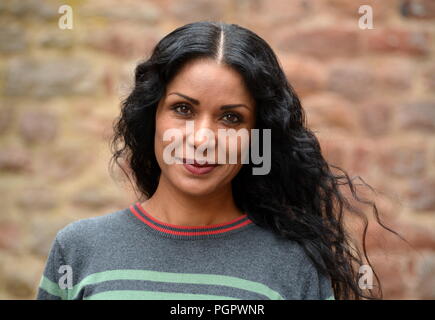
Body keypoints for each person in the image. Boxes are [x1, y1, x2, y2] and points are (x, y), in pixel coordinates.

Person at [36, 21, 404, 300]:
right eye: (182, 109)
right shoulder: (79, 248)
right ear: (153, 117)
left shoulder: (292, 266)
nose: (201, 139)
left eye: (231, 118)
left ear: (256, 136)